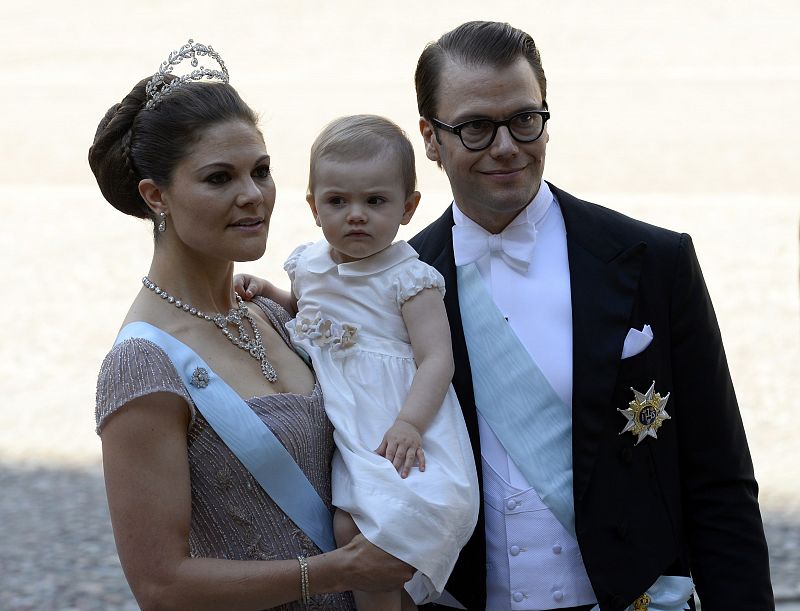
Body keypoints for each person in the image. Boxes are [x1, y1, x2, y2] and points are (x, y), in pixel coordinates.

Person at [406, 21, 774, 611]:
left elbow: (719, 479)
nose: (506, 146)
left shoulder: (655, 262)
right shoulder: (396, 283)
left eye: (525, 119)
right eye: (475, 127)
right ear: (430, 136)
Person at [88, 40, 413, 611]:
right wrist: (337, 570)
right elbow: (161, 585)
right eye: (219, 178)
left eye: (260, 171)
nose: (253, 196)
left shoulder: (269, 312)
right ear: (156, 196)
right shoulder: (143, 365)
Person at [237, 115, 480, 611]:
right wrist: (270, 294)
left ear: (409, 207)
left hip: (394, 419)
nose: (356, 216)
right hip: (346, 424)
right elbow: (312, 319)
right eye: (338, 201)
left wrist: (410, 422)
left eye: (375, 201)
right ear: (313, 205)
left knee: (393, 524)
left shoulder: (410, 278)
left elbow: (437, 360)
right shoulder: (308, 265)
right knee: (350, 528)